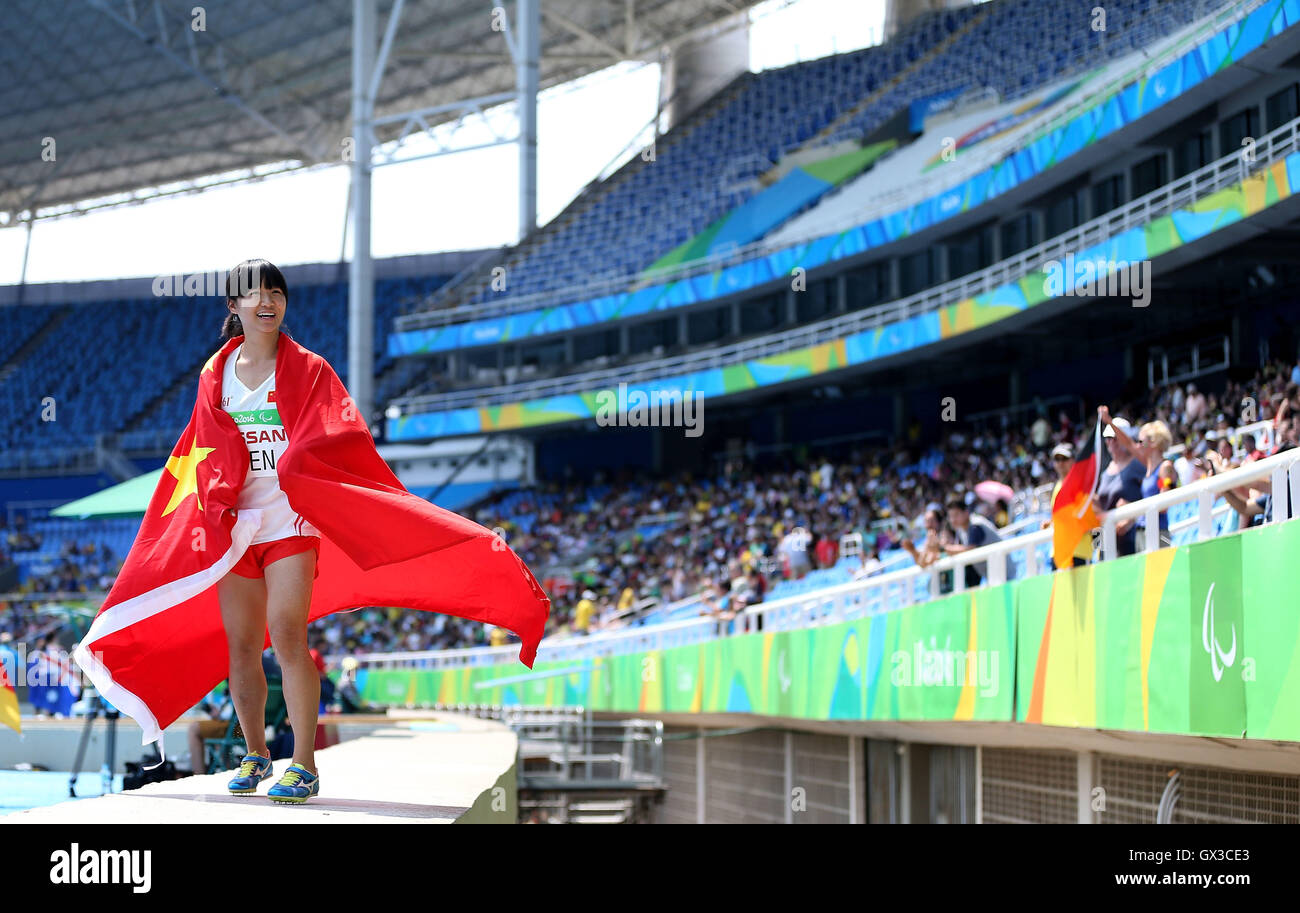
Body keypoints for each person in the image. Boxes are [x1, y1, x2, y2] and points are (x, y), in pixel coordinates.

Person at [216, 260, 322, 804]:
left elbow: (340, 434)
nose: (267, 300)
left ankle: (302, 762)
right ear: (233, 306)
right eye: (254, 293)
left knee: (286, 633)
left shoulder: (308, 368)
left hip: (291, 521)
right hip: (236, 529)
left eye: (276, 292)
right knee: (240, 648)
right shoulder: (216, 374)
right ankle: (256, 753)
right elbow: (202, 449)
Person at [1091, 410, 1146, 558]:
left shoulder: (1138, 465)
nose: (1110, 442)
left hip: (1133, 539)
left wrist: (1132, 514)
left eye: (1114, 437)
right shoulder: (1104, 472)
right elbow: (1102, 507)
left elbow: (1149, 492)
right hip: (1108, 543)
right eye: (1108, 438)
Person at [1045, 442, 1092, 567]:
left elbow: (1086, 513)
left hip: (1079, 550)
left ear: (1073, 460)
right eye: (1057, 459)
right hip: (1060, 552)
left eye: (1064, 459)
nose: (1060, 463)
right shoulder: (1057, 486)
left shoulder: (1080, 483)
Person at [942, 497, 1002, 588]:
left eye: (956, 515)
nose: (953, 520)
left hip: (1004, 574)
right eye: (950, 516)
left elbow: (969, 549)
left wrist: (942, 548)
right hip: (991, 576)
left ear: (966, 513)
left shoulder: (975, 525)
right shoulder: (961, 531)